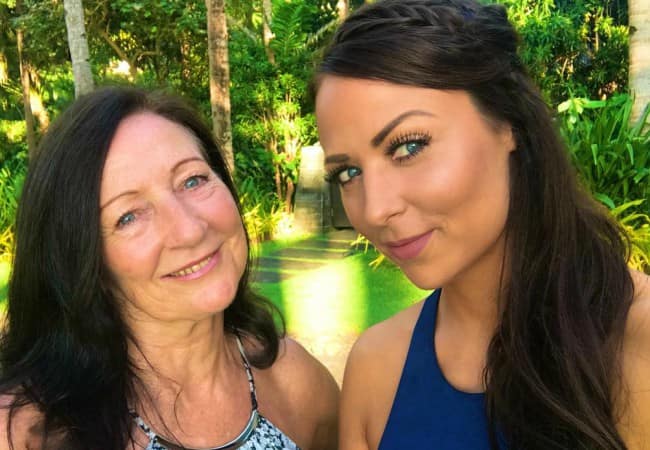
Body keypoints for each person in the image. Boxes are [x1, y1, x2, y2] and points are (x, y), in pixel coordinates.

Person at [314, 0, 650, 449]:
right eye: (348, 174)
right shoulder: (377, 370)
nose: (374, 211)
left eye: (408, 147)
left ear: (508, 122)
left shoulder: (637, 348)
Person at [0, 86, 339, 450]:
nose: (189, 230)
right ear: (83, 262)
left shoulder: (296, 383)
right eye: (128, 216)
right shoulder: (25, 432)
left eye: (193, 180)